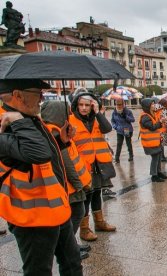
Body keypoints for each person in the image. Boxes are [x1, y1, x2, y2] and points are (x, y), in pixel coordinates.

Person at [0, 79, 82, 275]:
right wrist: (16, 119)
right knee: (39, 271)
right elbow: (38, 153)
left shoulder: (29, 119)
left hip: (55, 210)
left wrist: (60, 141)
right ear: (18, 95)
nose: (43, 98)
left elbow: (40, 158)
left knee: (72, 263)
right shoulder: (6, 125)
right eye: (38, 92)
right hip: (32, 216)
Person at [41, 101, 92, 260]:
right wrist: (78, 185)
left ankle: (71, 245)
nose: (69, 115)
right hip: (70, 186)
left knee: (74, 215)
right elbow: (67, 163)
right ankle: (67, 247)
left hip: (68, 184)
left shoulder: (52, 131)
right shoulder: (55, 134)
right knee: (77, 213)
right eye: (66, 113)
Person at [70, 92, 117, 241]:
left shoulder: (96, 118)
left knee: (97, 193)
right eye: (81, 105)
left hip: (98, 163)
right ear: (76, 105)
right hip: (82, 165)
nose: (84, 108)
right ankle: (84, 229)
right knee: (86, 197)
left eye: (87, 105)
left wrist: (98, 112)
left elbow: (107, 128)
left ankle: (99, 222)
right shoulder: (71, 120)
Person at [139, 98, 167, 182]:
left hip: (155, 141)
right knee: (155, 158)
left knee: (158, 157)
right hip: (150, 142)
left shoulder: (151, 114)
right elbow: (152, 127)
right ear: (147, 106)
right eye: (151, 104)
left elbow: (156, 124)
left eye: (153, 104)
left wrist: (160, 121)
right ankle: (154, 175)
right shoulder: (145, 116)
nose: (153, 106)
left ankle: (158, 172)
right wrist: (160, 122)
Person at [111, 99, 135, 163]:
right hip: (119, 130)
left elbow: (133, 120)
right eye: (117, 104)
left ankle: (131, 155)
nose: (119, 106)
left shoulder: (127, 111)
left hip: (127, 129)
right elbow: (112, 121)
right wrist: (115, 126)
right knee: (119, 144)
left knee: (128, 143)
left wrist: (126, 116)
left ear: (123, 104)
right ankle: (117, 158)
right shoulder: (114, 112)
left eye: (120, 104)